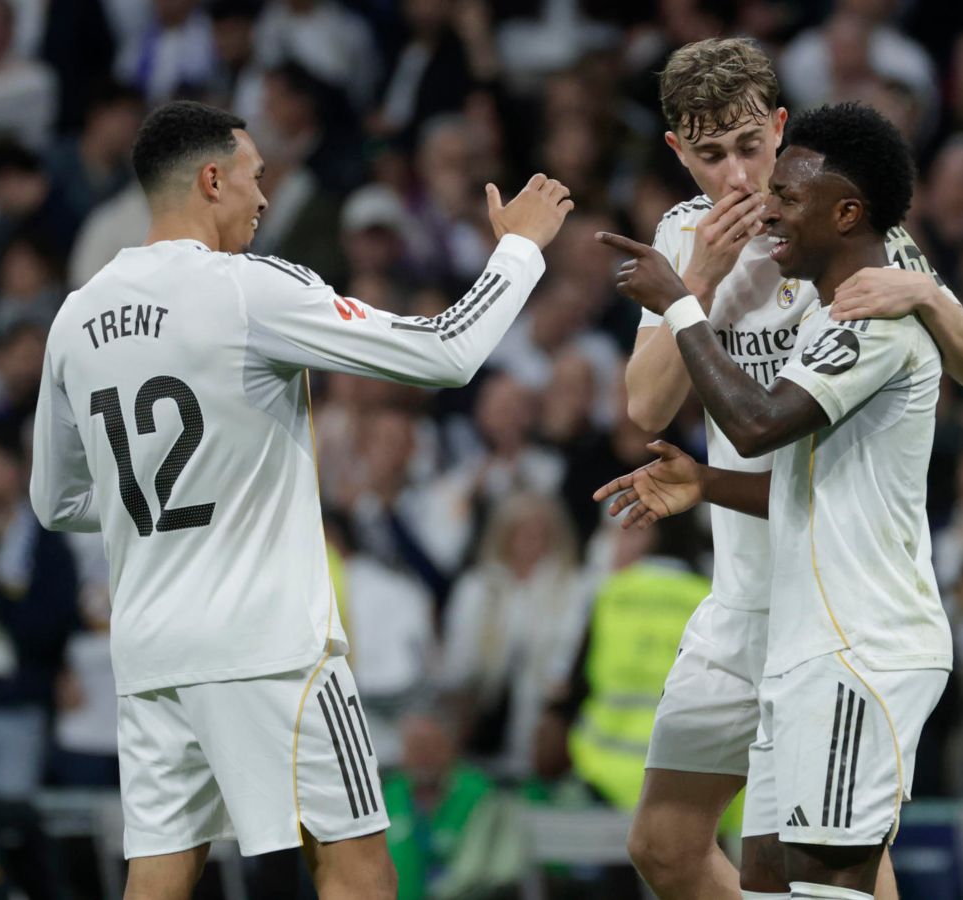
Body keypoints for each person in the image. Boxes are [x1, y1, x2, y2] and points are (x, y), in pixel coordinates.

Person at [29, 99, 572, 900]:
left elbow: (57, 499)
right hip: (269, 646)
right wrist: (520, 250)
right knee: (356, 868)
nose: (264, 199)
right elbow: (445, 352)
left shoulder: (75, 318)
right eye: (254, 179)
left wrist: (177, 505)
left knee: (160, 874)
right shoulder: (248, 290)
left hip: (149, 653)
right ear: (211, 179)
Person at [621, 39, 963, 900]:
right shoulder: (684, 237)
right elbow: (644, 410)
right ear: (679, 152)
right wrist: (699, 285)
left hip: (843, 592)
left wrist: (931, 295)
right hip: (747, 588)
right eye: (711, 155)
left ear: (780, 128)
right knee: (668, 845)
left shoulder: (846, 228)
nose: (740, 176)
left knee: (828, 856)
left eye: (752, 146)